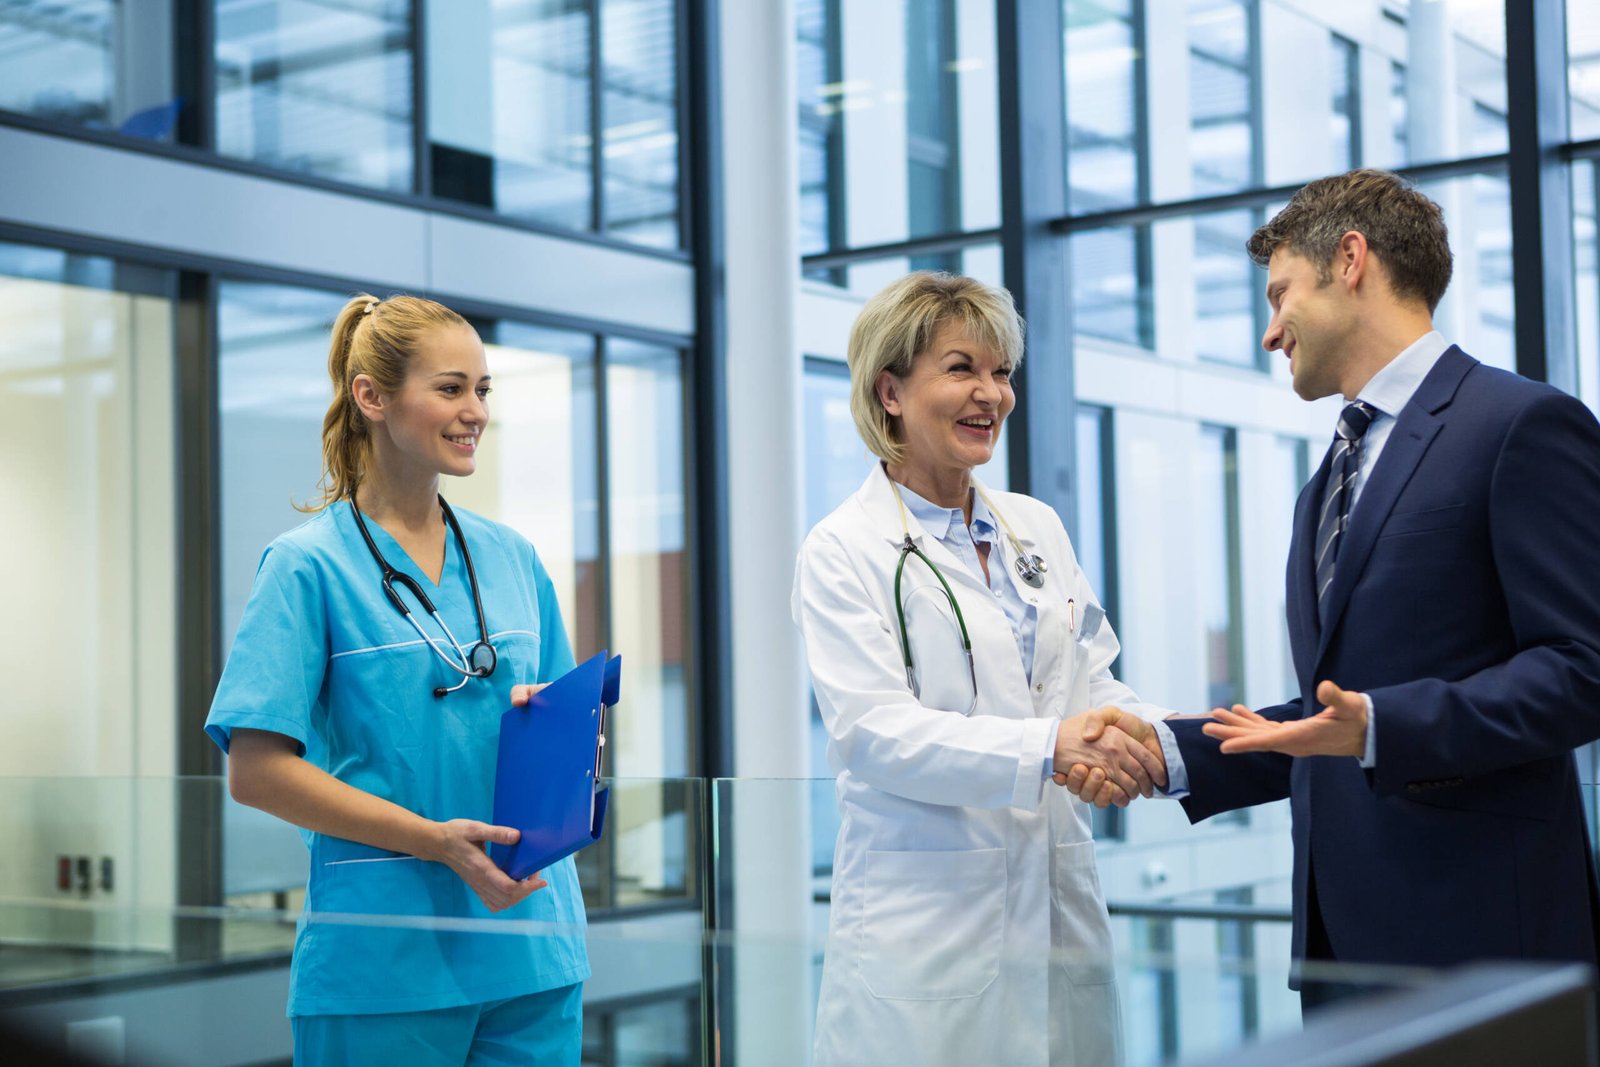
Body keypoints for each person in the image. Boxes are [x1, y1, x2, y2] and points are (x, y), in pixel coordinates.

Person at [1076, 168, 1600, 1005]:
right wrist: (1168, 747)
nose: (1270, 331)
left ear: (1350, 260)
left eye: (1281, 295)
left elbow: (1583, 668)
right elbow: (1336, 713)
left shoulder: (1521, 425)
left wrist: (1384, 726)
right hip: (1344, 943)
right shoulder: (1327, 480)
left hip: (1485, 941)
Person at [791, 271, 1176, 1067]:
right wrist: (1053, 748)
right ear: (890, 390)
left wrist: (1133, 739)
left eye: (1001, 373)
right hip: (927, 936)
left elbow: (1091, 675)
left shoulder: (1035, 526)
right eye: (963, 368)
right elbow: (875, 733)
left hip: (1058, 904)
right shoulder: (842, 549)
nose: (991, 394)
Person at [206, 294, 589, 1063]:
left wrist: (547, 727)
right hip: (384, 961)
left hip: (532, 949)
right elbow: (256, 772)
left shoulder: (512, 557)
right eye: (450, 388)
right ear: (371, 397)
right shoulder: (306, 566)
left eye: (483, 389)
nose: (475, 409)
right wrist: (435, 842)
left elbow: (571, 732)